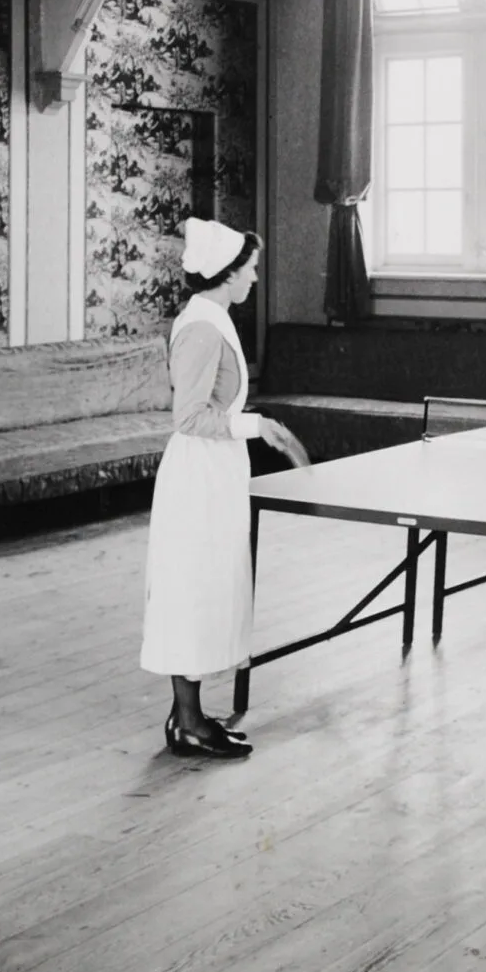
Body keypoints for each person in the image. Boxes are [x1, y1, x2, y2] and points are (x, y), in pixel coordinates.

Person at [141, 217, 307, 761]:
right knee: (193, 592)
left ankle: (188, 715)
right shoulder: (202, 327)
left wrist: (252, 425)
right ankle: (188, 723)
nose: (255, 278)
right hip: (198, 478)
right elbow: (188, 417)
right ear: (229, 273)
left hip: (218, 472)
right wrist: (258, 426)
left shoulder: (214, 317)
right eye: (252, 269)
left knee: (210, 590)